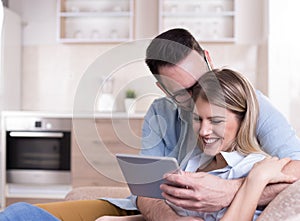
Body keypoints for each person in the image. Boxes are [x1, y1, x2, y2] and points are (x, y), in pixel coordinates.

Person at [0, 28, 300, 221]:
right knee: (18, 214)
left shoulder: (249, 104)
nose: (199, 96)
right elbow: (145, 189)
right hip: (143, 211)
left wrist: (231, 190)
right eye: (183, 94)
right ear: (162, 89)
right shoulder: (161, 114)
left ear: (208, 59)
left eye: (201, 81)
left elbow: (296, 166)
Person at [97, 69, 298, 220]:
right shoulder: (194, 162)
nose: (203, 132)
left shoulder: (252, 167)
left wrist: (257, 179)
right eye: (197, 119)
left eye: (216, 121)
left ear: (243, 120)